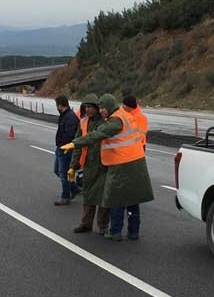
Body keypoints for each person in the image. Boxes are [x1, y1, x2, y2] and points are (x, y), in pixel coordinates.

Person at [61, 94, 154, 241]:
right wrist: (74, 164)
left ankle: (114, 231)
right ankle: (132, 232)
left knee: (115, 199)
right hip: (133, 161)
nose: (101, 110)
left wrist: (75, 143)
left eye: (102, 107)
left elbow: (98, 134)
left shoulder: (114, 120)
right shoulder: (122, 115)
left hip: (120, 163)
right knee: (131, 199)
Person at [68, 95, 109, 233]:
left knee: (103, 197)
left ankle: (103, 226)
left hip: (104, 164)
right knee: (88, 195)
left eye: (90, 107)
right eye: (86, 107)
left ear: (97, 108)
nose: (88, 109)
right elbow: (78, 144)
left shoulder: (106, 122)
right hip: (89, 165)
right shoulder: (83, 122)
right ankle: (86, 224)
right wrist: (73, 166)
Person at [53, 95, 81, 205]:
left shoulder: (70, 117)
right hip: (60, 148)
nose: (57, 108)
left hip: (66, 149)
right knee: (57, 170)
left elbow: (70, 135)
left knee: (63, 173)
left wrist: (64, 146)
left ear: (60, 105)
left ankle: (65, 196)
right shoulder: (64, 115)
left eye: (57, 105)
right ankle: (74, 188)